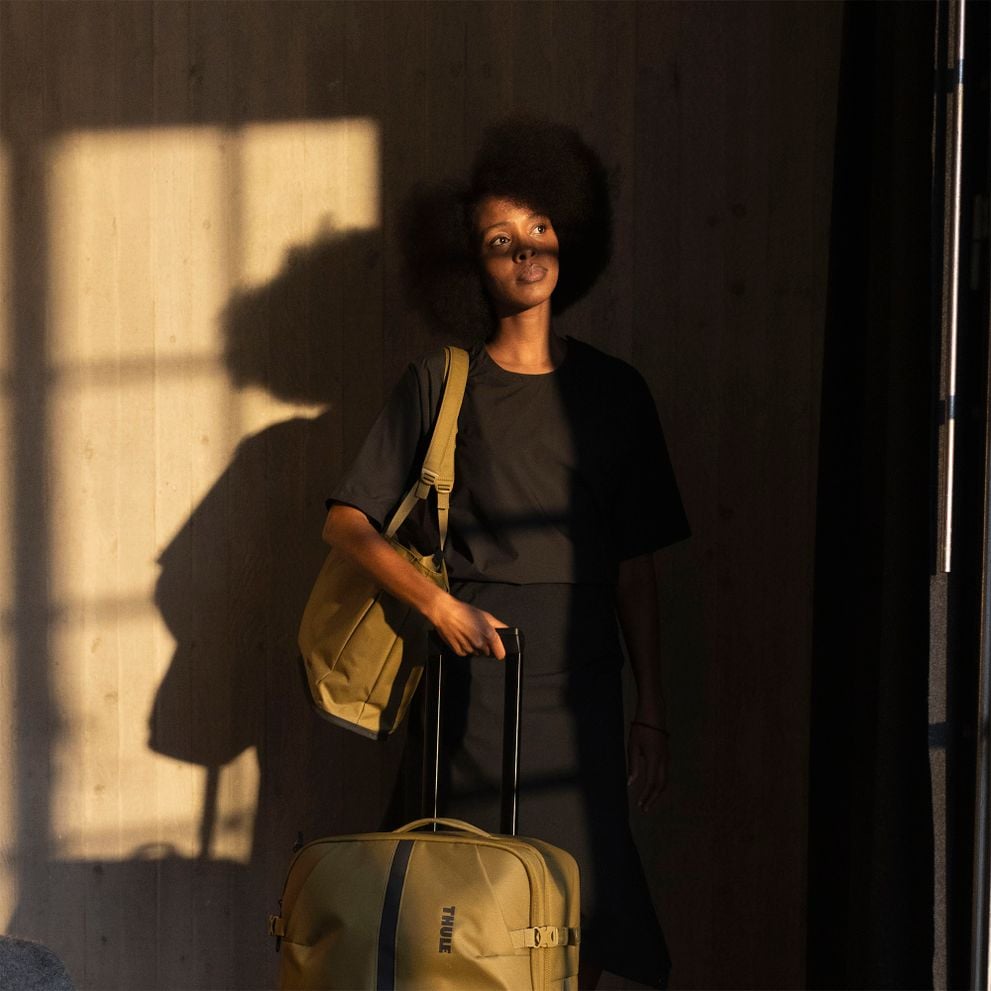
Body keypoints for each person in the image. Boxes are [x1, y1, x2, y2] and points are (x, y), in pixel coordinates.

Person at [322, 118, 690, 990]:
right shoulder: (441, 382)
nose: (525, 252)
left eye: (539, 229)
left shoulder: (615, 392)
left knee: (584, 908)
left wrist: (652, 711)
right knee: (463, 908)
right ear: (469, 267)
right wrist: (439, 605)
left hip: (586, 683)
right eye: (499, 240)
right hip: (474, 682)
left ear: (570, 233)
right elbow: (346, 520)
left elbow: (635, 566)